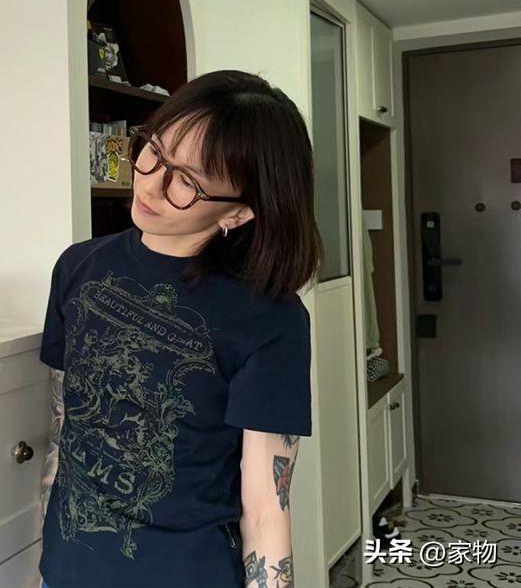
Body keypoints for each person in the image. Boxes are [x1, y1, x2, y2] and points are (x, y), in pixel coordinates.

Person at [38, 69, 322, 588]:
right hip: (69, 571)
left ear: (238, 214)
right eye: (154, 151)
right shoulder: (79, 267)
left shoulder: (269, 320)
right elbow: (64, 429)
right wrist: (49, 557)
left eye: (188, 182)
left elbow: (266, 511)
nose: (151, 183)